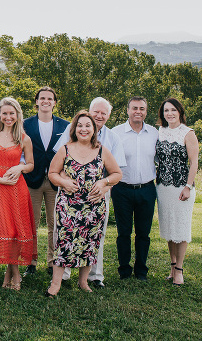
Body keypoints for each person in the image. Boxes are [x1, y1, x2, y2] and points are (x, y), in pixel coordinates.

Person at [46, 111, 122, 297]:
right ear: (74, 128)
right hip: (68, 206)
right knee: (64, 242)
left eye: (88, 125)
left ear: (94, 129)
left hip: (94, 207)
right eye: (80, 125)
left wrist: (104, 184)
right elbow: (52, 173)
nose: (84, 129)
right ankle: (55, 283)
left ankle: (82, 282)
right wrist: (63, 182)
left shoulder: (102, 150)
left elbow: (117, 174)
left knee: (89, 242)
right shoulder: (66, 148)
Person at [0, 97, 36, 290]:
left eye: (11, 113)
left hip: (16, 188)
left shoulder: (24, 138)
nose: (8, 117)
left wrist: (20, 167)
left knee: (14, 230)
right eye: (4, 113)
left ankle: (12, 275)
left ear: (17, 114)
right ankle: (13, 275)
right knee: (3, 230)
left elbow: (31, 164)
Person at [111, 96, 159, 281]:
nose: (138, 111)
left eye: (142, 108)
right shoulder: (116, 133)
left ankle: (141, 271)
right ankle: (124, 270)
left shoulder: (154, 133)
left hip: (147, 189)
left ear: (146, 111)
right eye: (134, 108)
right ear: (128, 110)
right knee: (123, 232)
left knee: (143, 233)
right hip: (122, 189)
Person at [23, 87, 69, 276]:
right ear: (36, 101)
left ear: (55, 102)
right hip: (32, 179)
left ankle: (52, 262)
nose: (46, 101)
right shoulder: (25, 124)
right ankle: (31, 262)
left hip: (55, 181)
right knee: (31, 223)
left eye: (50, 98)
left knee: (55, 224)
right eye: (42, 98)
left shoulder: (65, 125)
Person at [155, 97, 199, 286]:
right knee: (169, 228)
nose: (170, 114)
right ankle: (172, 266)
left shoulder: (188, 133)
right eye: (166, 111)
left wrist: (188, 186)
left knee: (180, 228)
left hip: (182, 188)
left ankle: (179, 269)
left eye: (173, 110)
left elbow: (194, 162)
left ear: (179, 111)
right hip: (163, 188)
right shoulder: (161, 131)